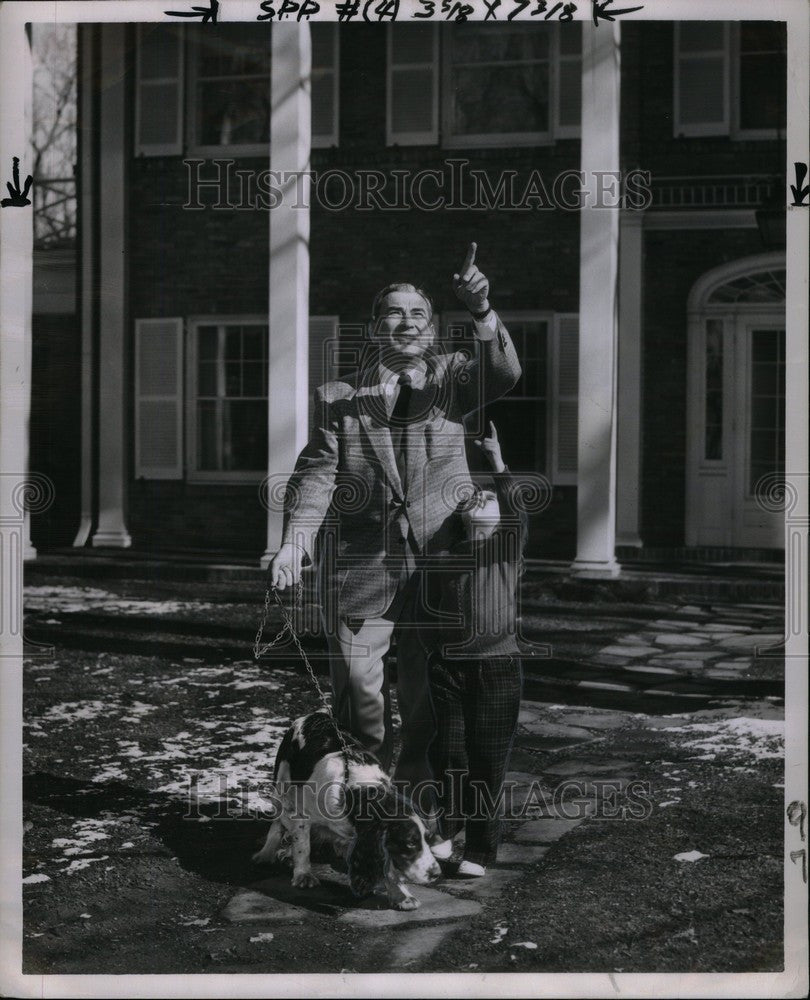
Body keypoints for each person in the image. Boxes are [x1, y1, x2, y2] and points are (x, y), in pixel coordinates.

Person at [268, 244, 521, 797]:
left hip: (441, 572)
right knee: (360, 697)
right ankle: (365, 798)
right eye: (394, 312)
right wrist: (294, 542)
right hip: (363, 572)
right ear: (375, 328)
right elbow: (316, 475)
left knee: (428, 701)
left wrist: (481, 310)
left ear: (431, 331)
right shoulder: (339, 400)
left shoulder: (457, 381)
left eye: (418, 314)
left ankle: (412, 806)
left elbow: (504, 370)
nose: (406, 322)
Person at [422, 421, 528, 877]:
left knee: (487, 761)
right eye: (474, 499)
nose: (481, 500)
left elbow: (518, 511)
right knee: (448, 753)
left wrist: (497, 462)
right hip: (448, 666)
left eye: (488, 500)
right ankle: (447, 826)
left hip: (497, 667)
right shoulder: (447, 555)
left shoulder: (506, 548)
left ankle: (481, 850)